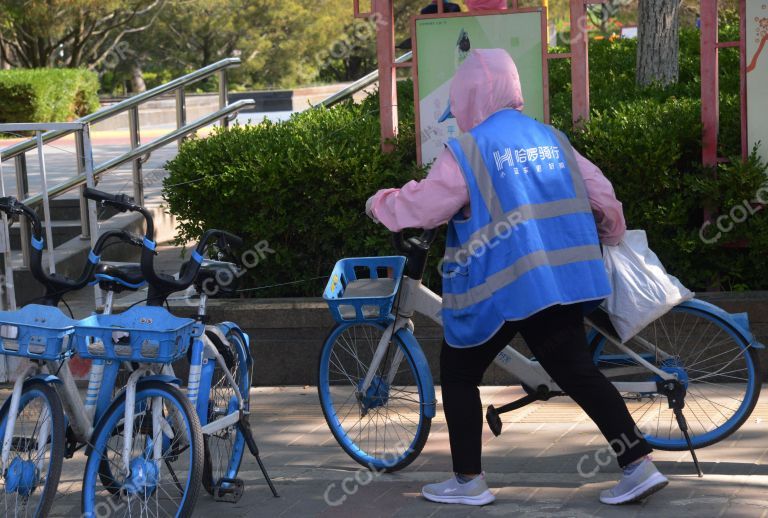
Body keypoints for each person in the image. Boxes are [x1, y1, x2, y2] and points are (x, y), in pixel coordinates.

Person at [365, 48, 669, 506]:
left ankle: (469, 481)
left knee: (461, 369)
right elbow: (602, 196)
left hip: (508, 286)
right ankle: (638, 464)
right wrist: (612, 233)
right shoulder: (552, 138)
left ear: (467, 98)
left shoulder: (468, 150)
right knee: (577, 371)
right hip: (565, 279)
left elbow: (426, 206)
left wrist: (380, 204)